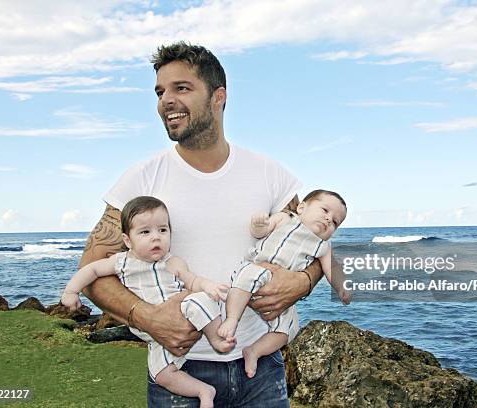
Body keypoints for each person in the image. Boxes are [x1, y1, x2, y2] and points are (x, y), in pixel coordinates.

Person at [79, 42, 325, 407]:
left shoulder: (270, 174)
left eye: (181, 88)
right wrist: (149, 318)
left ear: (218, 97)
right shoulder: (140, 180)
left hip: (261, 367)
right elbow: (92, 269)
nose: (166, 101)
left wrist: (302, 282)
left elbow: (319, 240)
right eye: (160, 92)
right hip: (179, 370)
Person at [61, 196, 234, 407]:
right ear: (127, 240)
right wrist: (72, 291)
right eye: (145, 232)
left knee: (197, 300)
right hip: (153, 334)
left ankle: (216, 338)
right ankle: (203, 391)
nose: (156, 238)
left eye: (163, 230)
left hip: (181, 314)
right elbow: (92, 269)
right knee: (161, 375)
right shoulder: (121, 262)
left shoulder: (172, 262)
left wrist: (208, 286)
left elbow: (192, 280)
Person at [218, 189, 351, 378]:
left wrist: (341, 287)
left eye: (335, 222)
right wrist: (259, 224)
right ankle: (232, 318)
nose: (329, 219)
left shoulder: (322, 247)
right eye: (325, 210)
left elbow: (332, 269)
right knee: (247, 276)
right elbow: (260, 232)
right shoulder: (286, 218)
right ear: (301, 208)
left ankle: (254, 351)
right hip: (258, 270)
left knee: (286, 330)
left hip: (281, 293)